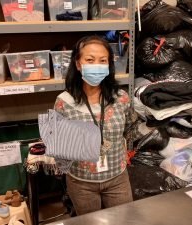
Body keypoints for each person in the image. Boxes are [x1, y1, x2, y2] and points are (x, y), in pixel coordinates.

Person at [54, 35, 133, 215]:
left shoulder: (121, 98)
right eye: (90, 60)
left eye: (102, 60)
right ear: (78, 63)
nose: (96, 65)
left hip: (117, 178)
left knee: (124, 219)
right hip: (81, 182)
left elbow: (130, 129)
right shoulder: (63, 102)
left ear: (109, 65)